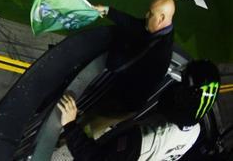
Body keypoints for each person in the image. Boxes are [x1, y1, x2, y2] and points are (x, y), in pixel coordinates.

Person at [56, 59, 220, 161]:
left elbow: (92, 158)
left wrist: (70, 125)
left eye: (180, 88)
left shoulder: (147, 137)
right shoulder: (194, 131)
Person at [89, 0, 175, 125]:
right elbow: (134, 24)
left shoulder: (157, 51)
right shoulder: (162, 30)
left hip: (123, 104)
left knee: (91, 126)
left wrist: (119, 38)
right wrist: (107, 10)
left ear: (161, 19)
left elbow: (115, 65)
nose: (146, 15)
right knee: (91, 118)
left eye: (151, 14)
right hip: (123, 92)